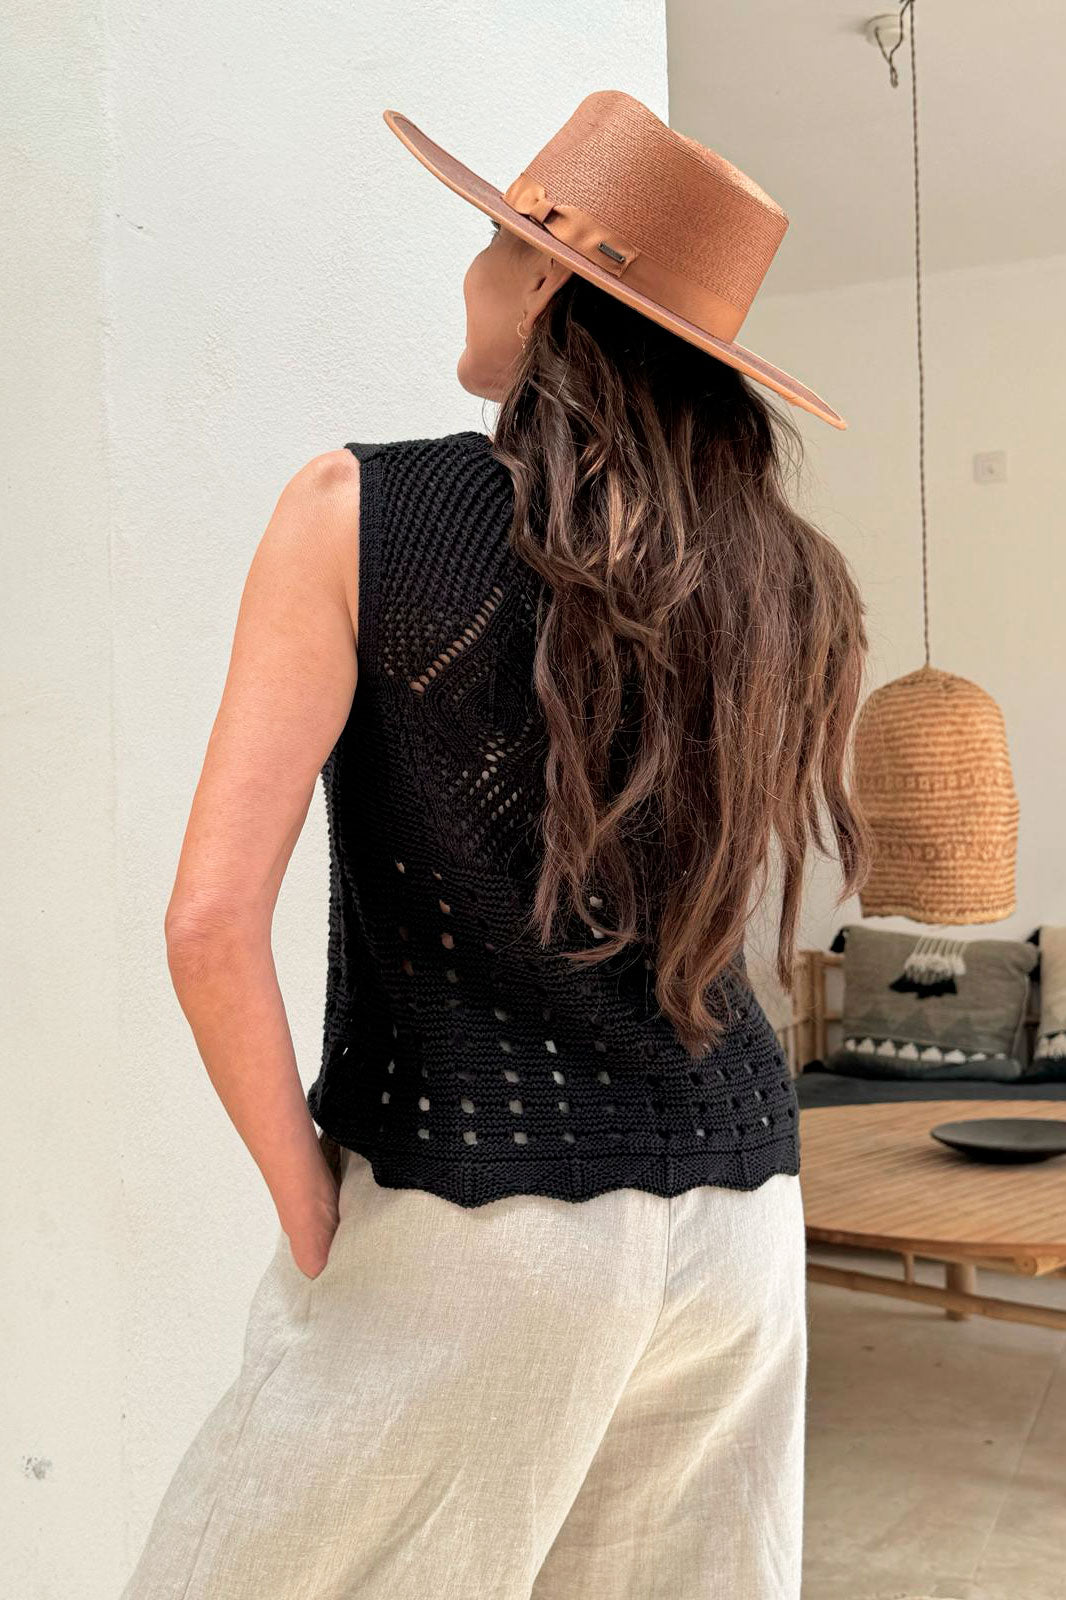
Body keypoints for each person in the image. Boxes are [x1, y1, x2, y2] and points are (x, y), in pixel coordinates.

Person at [120, 90, 870, 1600]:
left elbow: (209, 920)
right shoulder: (790, 578)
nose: (470, 268)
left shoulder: (362, 512)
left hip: (480, 1207)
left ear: (543, 286)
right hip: (740, 1210)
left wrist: (307, 1199)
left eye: (490, 241)